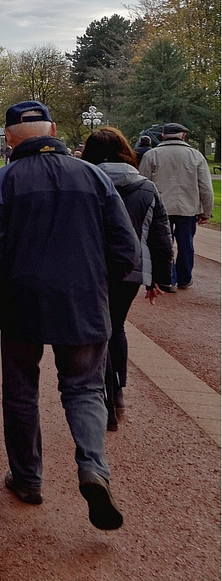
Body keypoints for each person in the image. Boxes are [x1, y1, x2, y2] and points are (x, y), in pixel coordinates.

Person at [0, 101, 138, 530]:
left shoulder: (2, 181)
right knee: (83, 389)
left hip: (23, 301)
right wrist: (99, 284)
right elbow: (125, 249)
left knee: (21, 390)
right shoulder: (95, 177)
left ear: (7, 137)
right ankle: (93, 468)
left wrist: (4, 280)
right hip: (84, 301)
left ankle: (27, 479)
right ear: (55, 130)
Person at [81, 127, 172, 428]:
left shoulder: (84, 181)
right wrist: (158, 278)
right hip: (132, 269)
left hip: (90, 268)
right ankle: (117, 389)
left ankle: (103, 396)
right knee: (116, 327)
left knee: (96, 331)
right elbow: (161, 236)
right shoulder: (146, 187)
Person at [137, 123, 214, 291]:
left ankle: (168, 278)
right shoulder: (196, 155)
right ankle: (185, 278)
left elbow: (142, 183)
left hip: (160, 206)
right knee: (186, 243)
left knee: (163, 243)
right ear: (183, 136)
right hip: (188, 207)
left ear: (164, 136)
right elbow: (205, 187)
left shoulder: (152, 155)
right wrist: (207, 211)